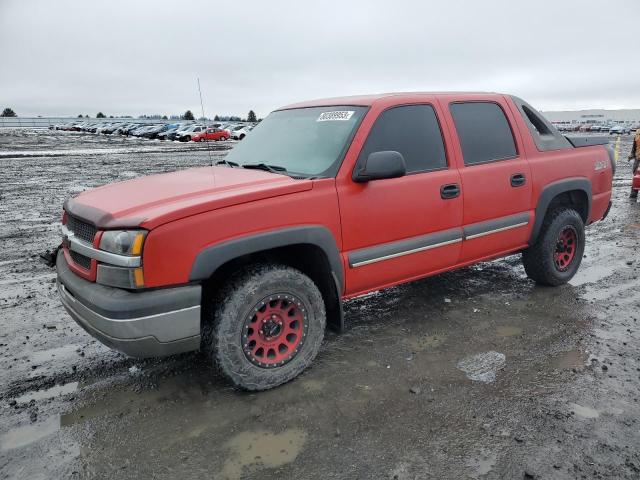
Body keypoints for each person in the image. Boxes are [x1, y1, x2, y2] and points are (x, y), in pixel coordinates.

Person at [630, 128, 640, 198]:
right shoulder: (637, 133)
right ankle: (634, 192)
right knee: (636, 175)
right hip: (638, 157)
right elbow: (634, 146)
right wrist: (632, 154)